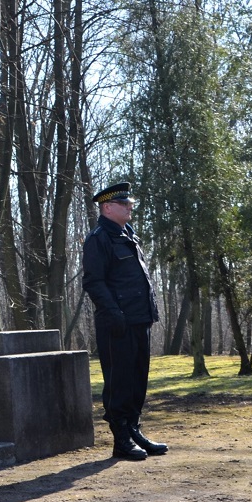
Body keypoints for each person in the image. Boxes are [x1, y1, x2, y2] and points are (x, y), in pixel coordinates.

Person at [82, 181, 168, 461]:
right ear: (108, 207)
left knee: (137, 379)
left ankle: (133, 430)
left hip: (139, 317)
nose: (130, 207)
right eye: (124, 204)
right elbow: (94, 282)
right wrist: (114, 314)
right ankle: (121, 439)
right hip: (117, 323)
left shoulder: (127, 233)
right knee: (119, 381)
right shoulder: (99, 238)